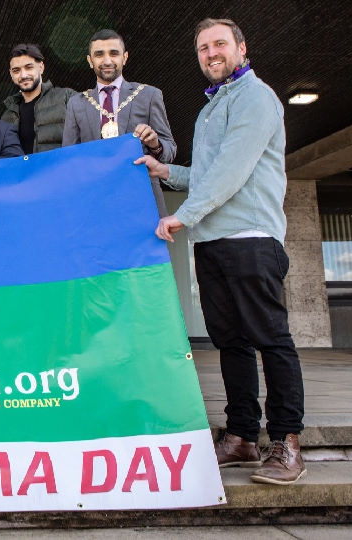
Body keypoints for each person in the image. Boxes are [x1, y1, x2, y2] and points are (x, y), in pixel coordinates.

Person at [135, 18, 306, 485]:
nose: (211, 53)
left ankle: (288, 440)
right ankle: (242, 436)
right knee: (230, 343)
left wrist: (182, 215)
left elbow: (231, 171)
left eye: (219, 45)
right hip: (211, 242)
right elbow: (207, 174)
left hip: (250, 238)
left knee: (271, 339)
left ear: (241, 48)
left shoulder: (255, 97)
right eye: (203, 48)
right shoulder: (211, 108)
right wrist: (164, 171)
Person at [62, 29, 176, 216]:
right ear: (90, 61)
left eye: (114, 53)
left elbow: (170, 151)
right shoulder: (76, 103)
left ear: (125, 57)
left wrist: (155, 144)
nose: (107, 61)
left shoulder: (149, 95)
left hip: (142, 198)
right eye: (99, 55)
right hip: (95, 200)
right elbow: (68, 158)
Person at [1, 44, 77, 154]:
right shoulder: (7, 115)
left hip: (61, 170)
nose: (23, 75)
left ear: (41, 67)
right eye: (16, 70)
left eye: (29, 67)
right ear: (11, 74)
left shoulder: (66, 97)